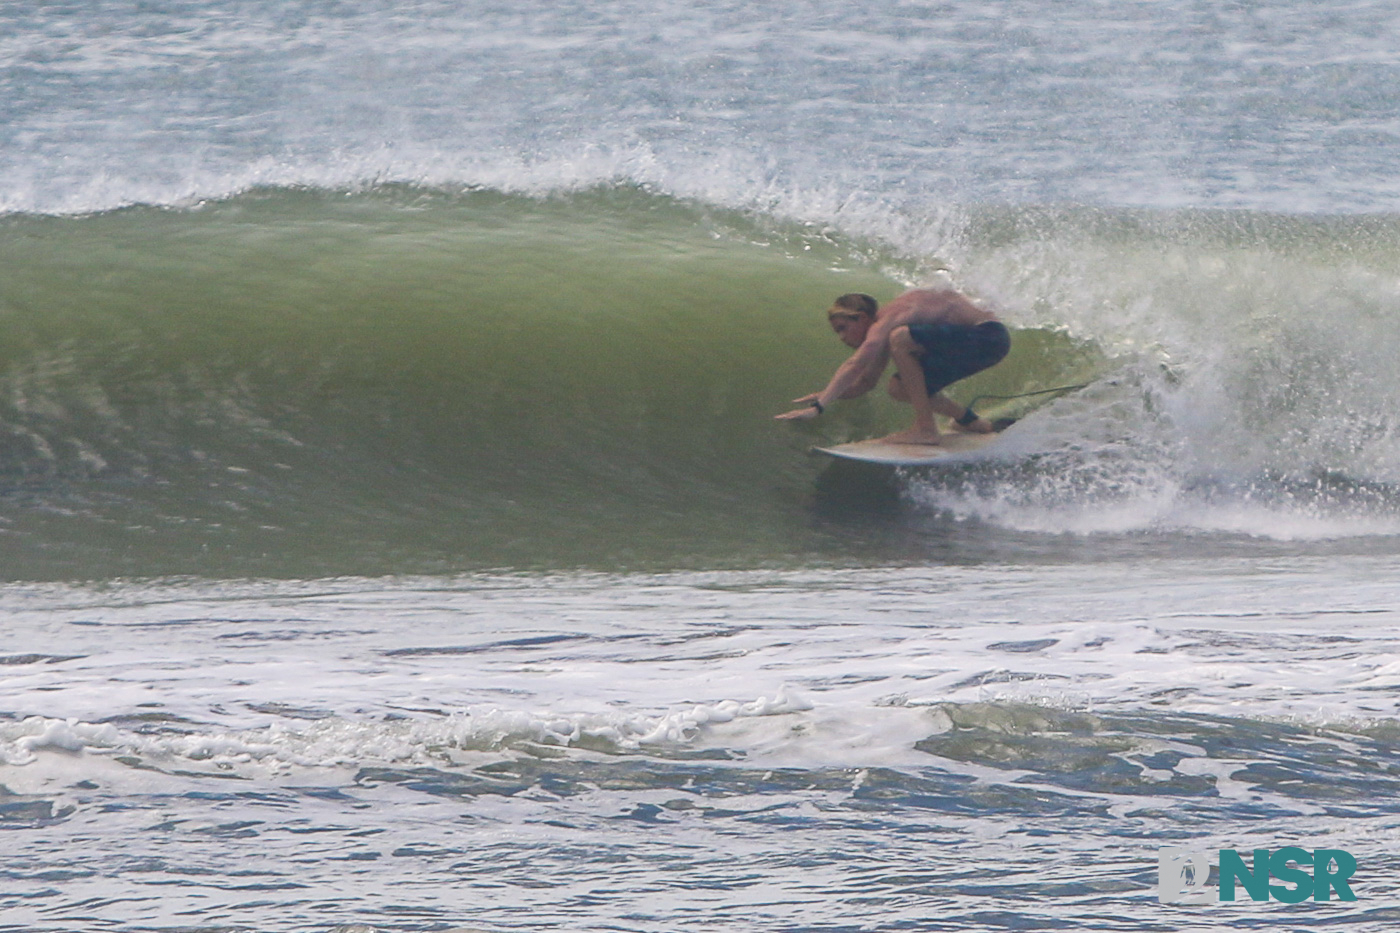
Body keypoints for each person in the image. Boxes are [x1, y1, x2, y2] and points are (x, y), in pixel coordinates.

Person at [775, 288, 1010, 444]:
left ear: (863, 318)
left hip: (988, 337)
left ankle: (926, 429)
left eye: (843, 328)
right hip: (977, 347)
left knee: (901, 337)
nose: (841, 337)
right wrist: (827, 395)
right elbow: (865, 383)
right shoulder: (884, 333)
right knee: (898, 387)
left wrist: (818, 407)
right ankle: (973, 422)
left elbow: (856, 364)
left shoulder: (889, 320)